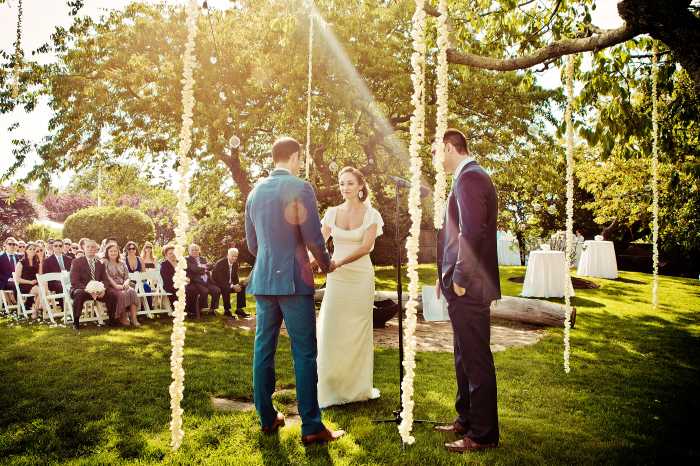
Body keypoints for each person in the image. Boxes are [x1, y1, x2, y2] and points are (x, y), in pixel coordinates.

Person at [245, 136, 344, 445]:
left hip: (263, 280)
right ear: (294, 157)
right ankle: (312, 426)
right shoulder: (300, 187)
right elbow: (314, 236)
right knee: (304, 352)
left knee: (263, 349)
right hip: (293, 279)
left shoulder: (254, 193)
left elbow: (251, 245)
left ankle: (266, 417)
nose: (301, 163)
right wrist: (326, 264)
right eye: (300, 158)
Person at [433, 129, 501, 453]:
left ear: (449, 147)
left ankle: (484, 435)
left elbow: (472, 233)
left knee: (476, 360)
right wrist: (442, 275)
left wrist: (458, 277)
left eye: (438, 151)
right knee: (463, 356)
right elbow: (454, 234)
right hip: (459, 284)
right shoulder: (466, 177)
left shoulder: (470, 178)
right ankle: (466, 419)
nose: (437, 158)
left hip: (470, 287)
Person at [316, 166, 383, 408]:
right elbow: (318, 243)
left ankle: (357, 389)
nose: (345, 188)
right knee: (331, 327)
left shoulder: (372, 215)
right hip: (336, 278)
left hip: (360, 278)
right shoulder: (332, 213)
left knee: (357, 331)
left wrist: (338, 262)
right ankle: (330, 386)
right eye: (342, 183)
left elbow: (366, 247)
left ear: (361, 187)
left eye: (350, 183)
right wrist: (306, 263)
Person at [69, 239, 116, 330]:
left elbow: (105, 280)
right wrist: (89, 290)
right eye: (88, 247)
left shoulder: (100, 263)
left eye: (93, 247)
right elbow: (74, 281)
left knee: (112, 295)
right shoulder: (77, 262)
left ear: (96, 249)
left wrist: (103, 289)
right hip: (82, 289)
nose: (90, 249)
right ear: (84, 248)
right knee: (79, 294)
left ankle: (112, 321)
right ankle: (76, 322)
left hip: (98, 290)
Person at [104, 243, 140, 327]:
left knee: (132, 292)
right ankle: (123, 316)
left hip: (123, 284)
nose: (113, 253)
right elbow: (107, 277)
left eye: (115, 251)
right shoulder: (105, 262)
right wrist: (116, 286)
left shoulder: (122, 263)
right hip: (111, 286)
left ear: (118, 252)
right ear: (107, 252)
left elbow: (127, 277)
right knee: (121, 294)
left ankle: (134, 318)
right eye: (111, 251)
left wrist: (126, 283)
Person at [210, 247, 249, 319]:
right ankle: (227, 310)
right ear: (228, 255)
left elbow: (235, 277)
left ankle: (239, 309)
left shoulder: (235, 264)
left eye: (236, 256)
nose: (234, 258)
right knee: (226, 288)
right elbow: (220, 279)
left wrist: (237, 285)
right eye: (232, 256)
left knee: (242, 288)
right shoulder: (220, 263)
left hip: (228, 284)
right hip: (218, 284)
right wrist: (232, 286)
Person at [160, 244, 199, 313]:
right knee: (183, 289)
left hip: (183, 283)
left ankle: (192, 310)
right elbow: (167, 279)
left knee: (193, 288)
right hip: (171, 285)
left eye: (174, 253)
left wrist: (188, 278)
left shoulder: (179, 263)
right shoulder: (164, 265)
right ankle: (183, 310)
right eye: (170, 253)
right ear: (166, 255)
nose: (173, 255)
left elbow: (186, 273)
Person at [185, 244, 220, 315]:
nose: (195, 251)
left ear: (199, 251)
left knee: (217, 290)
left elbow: (211, 266)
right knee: (205, 291)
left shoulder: (203, 258)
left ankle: (212, 309)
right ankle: (198, 309)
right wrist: (205, 267)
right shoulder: (187, 259)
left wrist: (204, 267)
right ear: (189, 251)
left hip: (207, 281)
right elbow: (194, 269)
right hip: (197, 281)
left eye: (197, 250)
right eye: (193, 250)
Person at [13, 242, 43, 319]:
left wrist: (40, 261)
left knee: (43, 289)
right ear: (26, 251)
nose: (32, 251)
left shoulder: (36, 262)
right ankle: (36, 309)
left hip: (35, 285)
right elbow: (17, 279)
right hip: (24, 285)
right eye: (30, 249)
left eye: (34, 249)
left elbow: (40, 275)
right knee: (41, 290)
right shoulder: (21, 263)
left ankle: (34, 307)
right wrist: (30, 282)